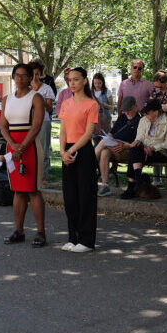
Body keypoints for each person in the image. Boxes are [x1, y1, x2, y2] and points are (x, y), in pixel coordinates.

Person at [0, 63, 48, 246]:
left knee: (33, 190)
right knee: (18, 190)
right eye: (17, 75)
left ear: (30, 77)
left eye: (24, 75)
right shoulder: (6, 99)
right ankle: (18, 231)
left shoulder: (36, 97)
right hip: (13, 146)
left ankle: (41, 232)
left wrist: (21, 148)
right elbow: (3, 126)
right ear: (13, 77)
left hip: (30, 146)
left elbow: (36, 126)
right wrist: (13, 146)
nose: (20, 79)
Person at [58, 67, 100, 252]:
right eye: (69, 80)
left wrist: (72, 150)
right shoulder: (66, 103)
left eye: (76, 79)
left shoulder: (91, 104)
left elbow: (88, 133)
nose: (72, 83)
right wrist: (62, 152)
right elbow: (63, 130)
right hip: (67, 151)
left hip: (83, 151)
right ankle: (72, 237)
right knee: (70, 197)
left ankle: (86, 240)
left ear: (84, 81)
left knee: (85, 196)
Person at [120, 98, 167, 199]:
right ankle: (138, 181)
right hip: (143, 150)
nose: (144, 114)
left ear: (156, 112)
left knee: (135, 153)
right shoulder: (143, 120)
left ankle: (132, 186)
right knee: (135, 148)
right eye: (144, 112)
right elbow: (139, 136)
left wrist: (153, 148)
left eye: (147, 112)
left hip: (160, 152)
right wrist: (137, 141)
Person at [96, 95, 141, 196]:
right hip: (114, 146)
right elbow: (112, 132)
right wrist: (109, 139)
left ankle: (89, 165)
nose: (126, 113)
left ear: (135, 107)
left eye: (128, 110)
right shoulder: (122, 117)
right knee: (104, 152)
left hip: (127, 150)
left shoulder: (139, 120)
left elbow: (138, 142)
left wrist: (124, 145)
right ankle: (105, 185)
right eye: (124, 110)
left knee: (103, 144)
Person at [30, 60, 56, 180]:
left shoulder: (47, 88)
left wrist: (41, 100)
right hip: (28, 123)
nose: (35, 77)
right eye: (32, 74)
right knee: (30, 151)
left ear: (40, 74)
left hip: (43, 122)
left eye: (37, 74)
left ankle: (43, 177)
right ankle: (31, 177)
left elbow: (50, 109)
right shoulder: (26, 88)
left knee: (43, 151)